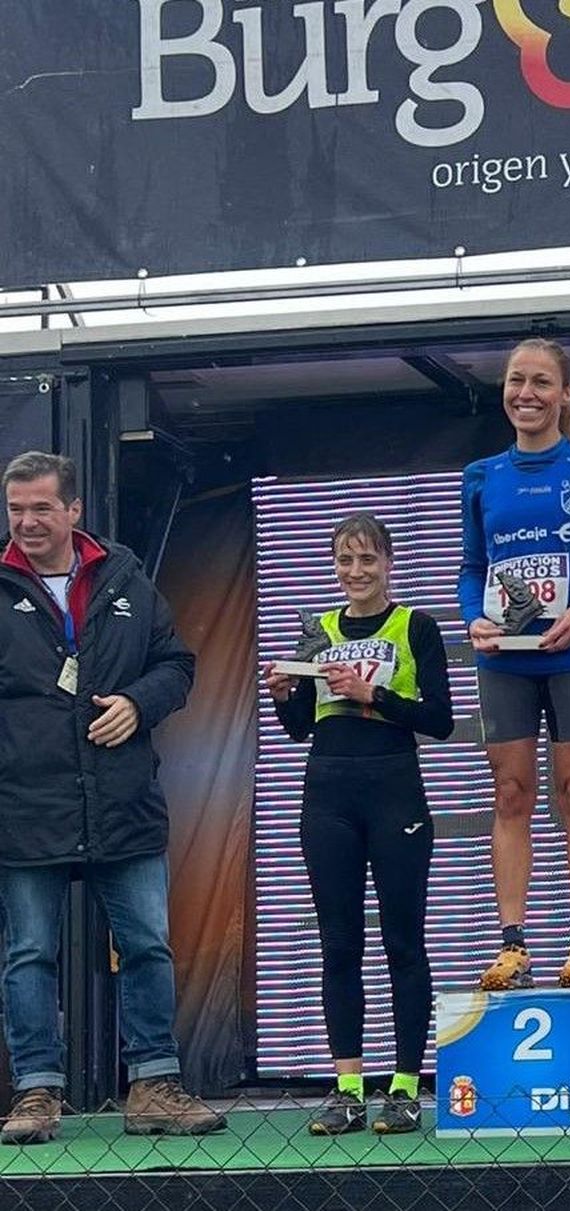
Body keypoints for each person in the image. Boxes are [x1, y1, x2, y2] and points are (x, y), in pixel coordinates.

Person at [0, 451, 225, 1145]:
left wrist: (137, 702)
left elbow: (177, 664)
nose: (28, 522)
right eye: (16, 510)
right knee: (29, 952)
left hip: (122, 798)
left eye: (42, 508)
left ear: (74, 510)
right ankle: (37, 1091)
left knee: (147, 945)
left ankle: (154, 1084)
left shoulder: (125, 576)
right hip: (25, 804)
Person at [264, 513, 455, 1136]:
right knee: (339, 944)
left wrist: (372, 695)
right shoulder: (316, 632)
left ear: (389, 562)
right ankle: (346, 1086)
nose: (356, 573)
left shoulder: (415, 627)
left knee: (403, 941)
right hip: (328, 793)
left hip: (395, 789)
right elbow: (301, 730)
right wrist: (282, 694)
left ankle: (403, 1086)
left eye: (368, 560)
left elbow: (440, 719)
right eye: (345, 561)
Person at [462, 339, 570, 990]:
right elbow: (472, 566)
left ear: (566, 393)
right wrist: (472, 615)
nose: (525, 394)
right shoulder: (482, 475)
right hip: (506, 655)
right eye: (515, 381)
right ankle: (512, 944)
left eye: (540, 382)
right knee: (510, 793)